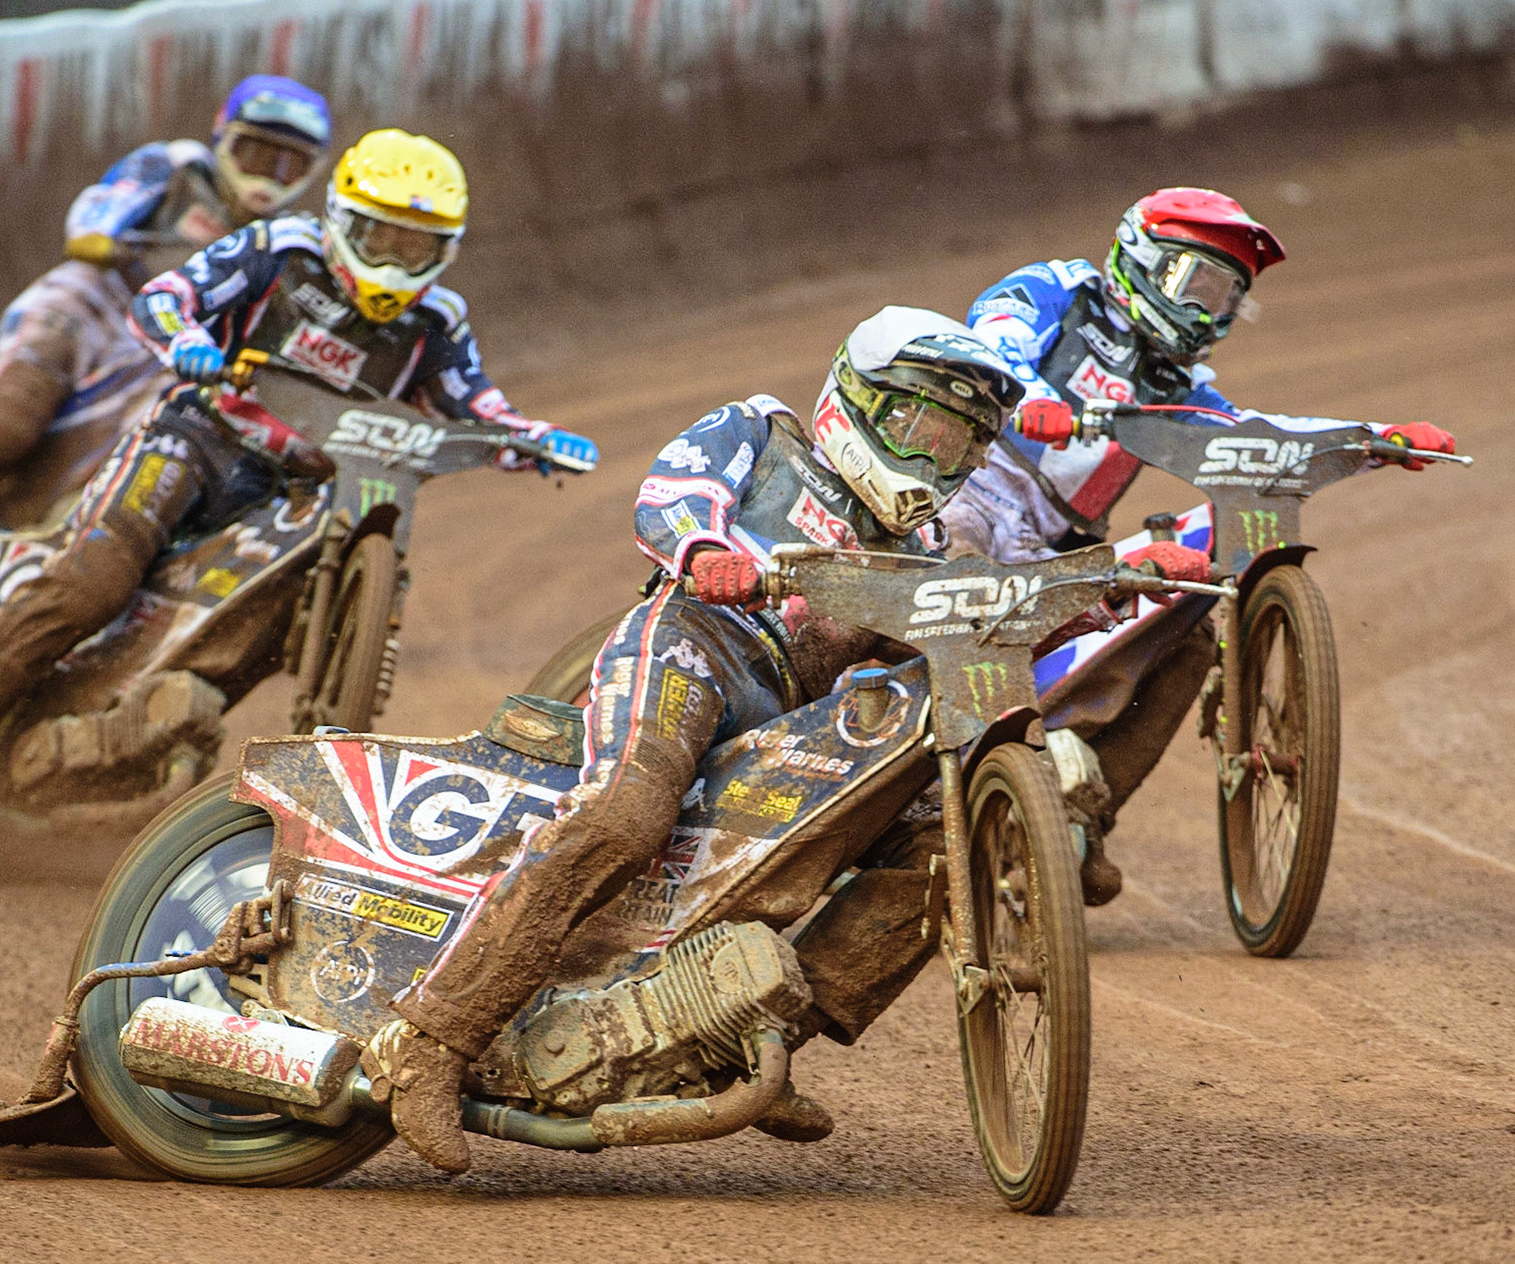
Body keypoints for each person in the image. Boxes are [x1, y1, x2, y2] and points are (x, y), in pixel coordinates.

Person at [367, 305, 1210, 1175]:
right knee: (626, 813)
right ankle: (429, 1042)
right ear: (858, 401)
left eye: (959, 447)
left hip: (787, 714)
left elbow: (990, 609)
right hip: (692, 646)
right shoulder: (764, 433)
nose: (933, 460)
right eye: (919, 427)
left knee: (933, 840)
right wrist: (703, 549)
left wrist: (1118, 582)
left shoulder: (918, 550)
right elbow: (672, 492)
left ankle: (749, 1039)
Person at [0, 128, 598, 815]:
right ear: (344, 219)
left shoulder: (439, 322)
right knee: (94, 579)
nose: (395, 261)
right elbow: (165, 297)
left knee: (266, 627)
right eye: (382, 237)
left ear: (445, 251)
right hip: (198, 440)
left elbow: (476, 405)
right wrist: (188, 342)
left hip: (299, 490)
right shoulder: (279, 249)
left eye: (417, 247)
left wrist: (531, 438)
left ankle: (128, 742)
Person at [939, 186, 1459, 904]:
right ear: (1141, 263)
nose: (1204, 312)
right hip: (967, 492)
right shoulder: (1057, 289)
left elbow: (1256, 437)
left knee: (1186, 643)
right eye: (1195, 284)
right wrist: (1029, 398)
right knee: (967, 565)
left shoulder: (1181, 386)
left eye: (1224, 299)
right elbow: (990, 335)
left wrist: (1374, 440)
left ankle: (1072, 823)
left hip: (1061, 546)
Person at [0, 76, 334, 601]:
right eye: (256, 152)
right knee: (7, 427)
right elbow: (98, 212)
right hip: (91, 304)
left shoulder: (293, 242)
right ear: (223, 138)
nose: (269, 177)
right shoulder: (176, 169)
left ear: (312, 171)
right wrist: (107, 236)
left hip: (168, 354)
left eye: (289, 164)